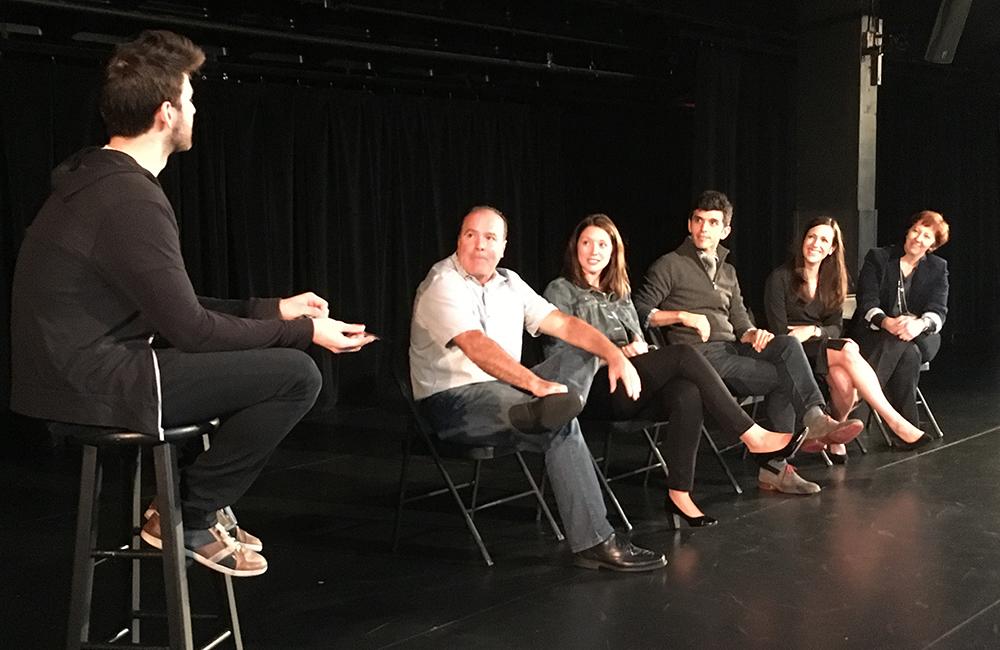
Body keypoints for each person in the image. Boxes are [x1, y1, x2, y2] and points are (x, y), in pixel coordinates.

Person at [10, 31, 377, 578]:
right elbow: (193, 331)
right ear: (166, 113)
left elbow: (172, 304)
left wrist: (273, 310)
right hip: (96, 379)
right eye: (189, 98)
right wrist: (304, 335)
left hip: (79, 370)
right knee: (296, 376)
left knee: (277, 360)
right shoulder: (129, 197)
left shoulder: (99, 178)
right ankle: (188, 513)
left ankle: (189, 504)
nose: (195, 108)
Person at [410, 205, 666, 572]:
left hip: (507, 391)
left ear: (503, 247)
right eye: (471, 235)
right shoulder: (442, 283)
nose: (480, 245)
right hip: (454, 401)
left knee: (580, 353)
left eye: (489, 238)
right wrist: (534, 383)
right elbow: (475, 345)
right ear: (459, 240)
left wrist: (614, 355)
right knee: (557, 421)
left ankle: (556, 407)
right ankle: (595, 539)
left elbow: (562, 323)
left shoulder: (509, 282)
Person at [543, 214, 801, 526]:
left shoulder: (620, 292)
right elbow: (558, 355)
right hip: (593, 386)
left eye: (602, 244)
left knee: (686, 391)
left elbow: (638, 338)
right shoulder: (560, 291)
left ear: (613, 251)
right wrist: (614, 355)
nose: (593, 250)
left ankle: (679, 496)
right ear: (576, 248)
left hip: (632, 383)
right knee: (681, 354)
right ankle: (752, 435)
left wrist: (640, 350)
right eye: (586, 243)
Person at [632, 191, 864, 495]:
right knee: (786, 378)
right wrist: (683, 316)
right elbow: (639, 309)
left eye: (713, 223)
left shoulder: (727, 271)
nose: (704, 228)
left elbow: (741, 323)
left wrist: (754, 333)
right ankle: (777, 468)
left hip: (730, 349)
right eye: (699, 220)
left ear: (725, 230)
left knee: (786, 347)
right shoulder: (670, 265)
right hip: (697, 357)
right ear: (689, 224)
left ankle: (814, 420)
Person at [764, 218, 930, 461]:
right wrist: (814, 333)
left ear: (831, 249)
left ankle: (833, 433)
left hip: (819, 346)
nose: (815, 244)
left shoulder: (833, 281)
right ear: (802, 241)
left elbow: (835, 328)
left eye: (823, 240)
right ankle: (895, 422)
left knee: (843, 379)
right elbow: (781, 334)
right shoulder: (779, 278)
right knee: (849, 350)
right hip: (790, 354)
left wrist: (811, 330)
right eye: (811, 237)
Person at [854, 211, 950, 434]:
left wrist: (918, 325)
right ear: (908, 232)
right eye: (916, 231)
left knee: (906, 346)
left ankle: (857, 406)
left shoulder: (938, 267)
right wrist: (886, 322)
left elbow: (939, 310)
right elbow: (866, 301)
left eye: (926, 236)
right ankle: (908, 431)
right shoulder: (878, 258)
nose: (918, 238)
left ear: (932, 245)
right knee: (907, 354)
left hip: (921, 335)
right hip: (879, 332)